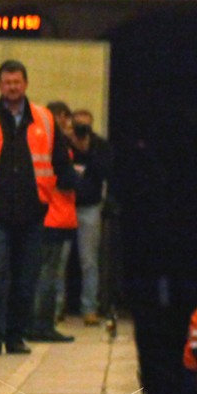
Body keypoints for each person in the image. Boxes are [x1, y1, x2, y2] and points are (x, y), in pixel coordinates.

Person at [0, 60, 75, 356]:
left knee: (26, 277)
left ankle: (15, 335)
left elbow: (60, 161)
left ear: (26, 84)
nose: (12, 87)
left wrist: (50, 191)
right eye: (7, 82)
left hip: (32, 212)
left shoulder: (45, 119)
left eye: (17, 81)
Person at [27, 100, 78, 344]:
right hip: (54, 217)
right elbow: (67, 179)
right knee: (49, 275)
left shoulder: (45, 143)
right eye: (60, 117)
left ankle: (38, 323)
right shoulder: (53, 145)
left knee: (45, 274)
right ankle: (42, 325)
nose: (64, 122)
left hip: (54, 216)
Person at [69, 109, 110, 325]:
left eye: (85, 126)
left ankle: (89, 308)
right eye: (78, 126)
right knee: (59, 260)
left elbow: (105, 172)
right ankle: (55, 308)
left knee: (89, 260)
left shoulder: (100, 146)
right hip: (65, 205)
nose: (81, 130)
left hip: (90, 206)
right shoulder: (65, 144)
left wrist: (87, 152)